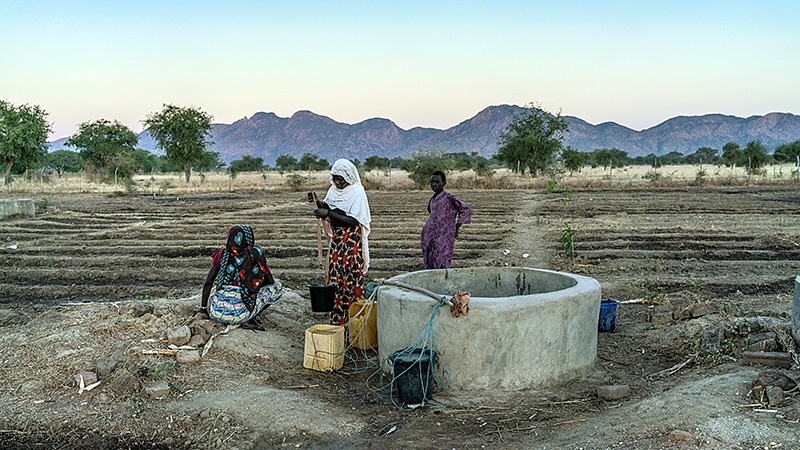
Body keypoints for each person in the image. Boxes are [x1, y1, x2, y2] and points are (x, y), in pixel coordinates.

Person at [308, 159, 371, 327]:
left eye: (340, 178)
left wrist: (327, 212)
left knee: (350, 277)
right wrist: (318, 202)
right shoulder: (334, 190)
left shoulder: (357, 192)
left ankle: (355, 323)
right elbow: (330, 206)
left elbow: (352, 220)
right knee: (336, 277)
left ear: (348, 176)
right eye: (335, 178)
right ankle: (338, 321)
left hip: (350, 242)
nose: (337, 182)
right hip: (337, 241)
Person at [201, 225, 282, 330]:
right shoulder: (255, 255)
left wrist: (203, 309)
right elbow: (270, 281)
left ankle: (238, 313)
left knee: (217, 289)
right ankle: (249, 319)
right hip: (240, 315)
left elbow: (208, 282)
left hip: (216, 313)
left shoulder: (222, 254)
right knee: (277, 287)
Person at [420, 170, 472, 269]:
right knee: (429, 261)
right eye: (432, 182)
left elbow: (465, 210)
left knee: (442, 261)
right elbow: (432, 214)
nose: (434, 184)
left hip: (444, 237)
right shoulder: (433, 199)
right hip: (429, 236)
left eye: (437, 182)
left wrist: (456, 227)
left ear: (444, 183)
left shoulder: (449, 197)